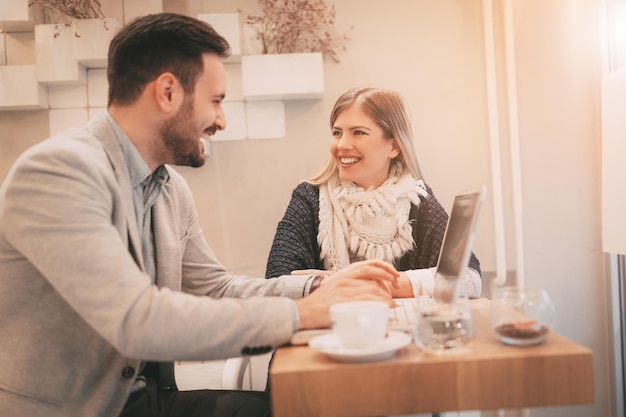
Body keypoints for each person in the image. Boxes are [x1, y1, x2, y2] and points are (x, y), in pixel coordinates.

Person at [0, 14, 401, 417]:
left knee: (293, 408)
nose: (221, 120)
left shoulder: (169, 187)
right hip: (73, 409)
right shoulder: (58, 172)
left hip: (141, 399)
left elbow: (215, 289)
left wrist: (317, 289)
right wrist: (300, 314)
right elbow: (137, 319)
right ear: (168, 92)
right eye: (216, 101)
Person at [265, 87, 482, 300]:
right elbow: (277, 282)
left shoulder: (416, 199)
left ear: (394, 147)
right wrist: (406, 284)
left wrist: (346, 283)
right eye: (337, 133)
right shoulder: (309, 198)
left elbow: (468, 278)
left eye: (358, 132)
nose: (342, 144)